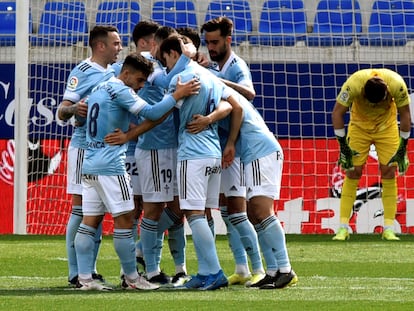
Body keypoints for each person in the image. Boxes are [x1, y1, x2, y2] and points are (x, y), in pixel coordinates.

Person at [73, 53, 200, 291]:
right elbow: (151, 113)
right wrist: (176, 95)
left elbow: (104, 119)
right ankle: (132, 279)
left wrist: (130, 131)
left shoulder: (100, 86)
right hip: (111, 166)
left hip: (89, 164)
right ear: (127, 73)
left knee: (88, 223)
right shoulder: (121, 90)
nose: (142, 86)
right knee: (125, 220)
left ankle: (84, 279)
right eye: (140, 80)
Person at [187, 87, 298, 290]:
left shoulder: (215, 89)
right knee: (254, 215)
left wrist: (211, 123)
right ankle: (272, 271)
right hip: (252, 153)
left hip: (259, 150)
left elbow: (233, 107)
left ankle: (285, 268)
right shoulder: (216, 85)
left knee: (261, 211)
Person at [160, 35, 233, 290]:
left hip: (193, 153)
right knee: (203, 213)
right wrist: (211, 119)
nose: (165, 64)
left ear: (171, 53)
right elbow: (229, 104)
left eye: (165, 58)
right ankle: (204, 272)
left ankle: (213, 272)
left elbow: (161, 113)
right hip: (212, 151)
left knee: (193, 214)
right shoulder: (209, 75)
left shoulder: (179, 78)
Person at [201, 16, 265, 286]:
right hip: (223, 146)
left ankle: (260, 267)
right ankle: (241, 268)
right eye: (207, 43)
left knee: (238, 211)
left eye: (215, 42)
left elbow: (249, 93)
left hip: (237, 148)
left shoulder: (236, 65)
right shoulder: (217, 65)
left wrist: (214, 78)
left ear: (228, 40)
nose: (211, 47)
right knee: (227, 211)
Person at [57, 25, 122, 287]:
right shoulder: (81, 72)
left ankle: (90, 269)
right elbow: (62, 111)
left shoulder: (115, 71)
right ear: (100, 46)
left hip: (105, 150)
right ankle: (75, 272)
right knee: (81, 208)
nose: (119, 47)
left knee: (97, 211)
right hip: (83, 147)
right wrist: (75, 108)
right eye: (116, 43)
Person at [332, 68, 411, 241]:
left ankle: (389, 229)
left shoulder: (397, 84)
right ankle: (343, 228)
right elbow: (337, 113)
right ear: (362, 93)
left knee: (389, 172)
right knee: (353, 172)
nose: (374, 106)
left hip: (387, 128)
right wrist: (343, 146)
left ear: (387, 93)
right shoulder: (353, 84)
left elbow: (405, 115)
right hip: (359, 128)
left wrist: (403, 146)